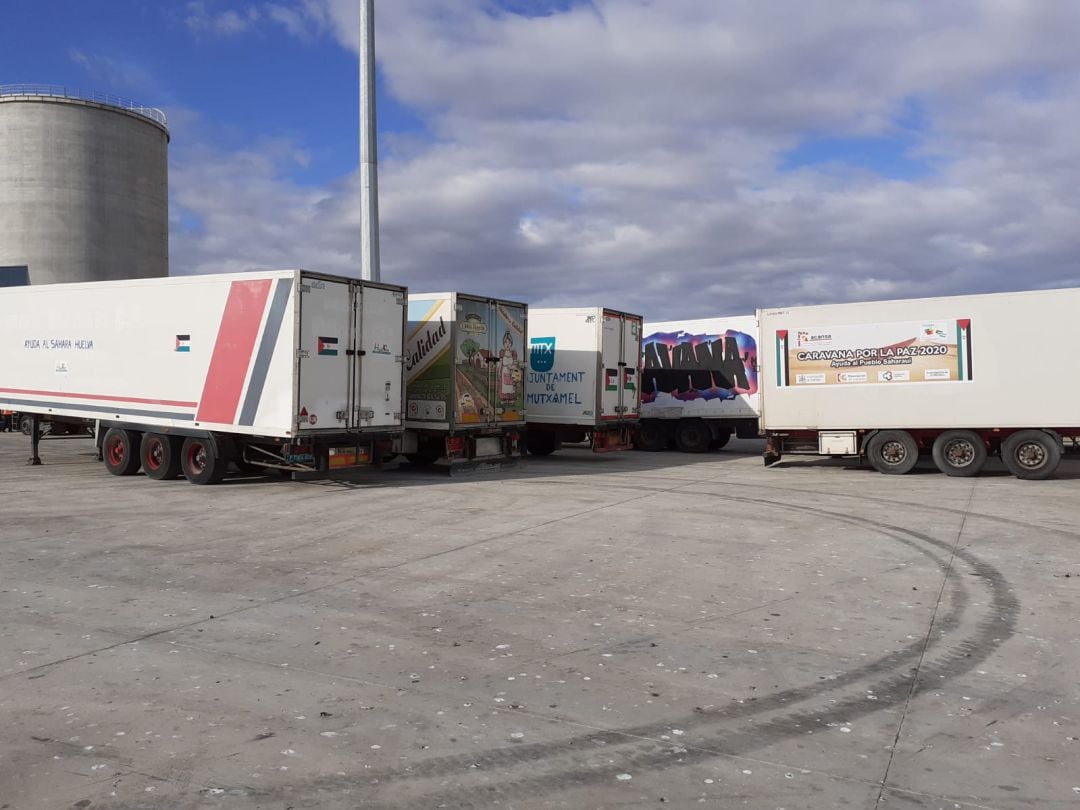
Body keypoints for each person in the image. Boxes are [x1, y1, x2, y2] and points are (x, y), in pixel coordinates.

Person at [498, 330, 520, 404]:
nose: (507, 344)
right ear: (503, 344)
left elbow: (515, 364)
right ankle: (504, 399)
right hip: (504, 371)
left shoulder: (513, 353)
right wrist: (498, 372)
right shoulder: (502, 352)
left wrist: (512, 367)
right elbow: (500, 363)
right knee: (504, 386)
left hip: (511, 372)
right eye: (506, 342)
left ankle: (511, 399)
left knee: (511, 386)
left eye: (509, 342)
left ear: (511, 344)